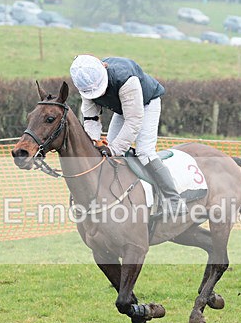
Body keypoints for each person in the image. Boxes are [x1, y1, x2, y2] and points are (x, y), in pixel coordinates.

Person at [69, 55, 187, 217]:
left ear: (103, 69)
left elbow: (134, 120)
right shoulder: (86, 83)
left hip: (146, 104)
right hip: (123, 108)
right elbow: (91, 119)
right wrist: (94, 142)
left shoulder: (125, 79)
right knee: (107, 152)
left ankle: (174, 200)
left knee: (144, 152)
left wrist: (114, 149)